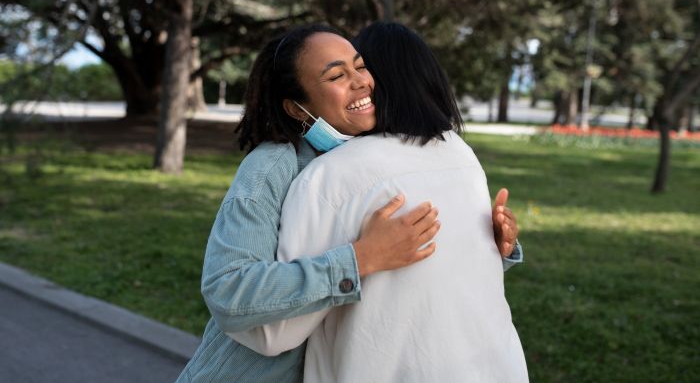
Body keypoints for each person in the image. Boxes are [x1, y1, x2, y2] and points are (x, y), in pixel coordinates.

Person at [177, 25, 521, 382]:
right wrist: (360, 259)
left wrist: (488, 241)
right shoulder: (274, 167)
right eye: (337, 75)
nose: (362, 81)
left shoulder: (377, 161)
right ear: (297, 108)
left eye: (361, 66)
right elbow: (228, 289)